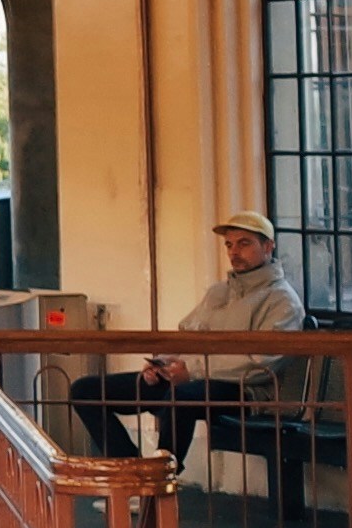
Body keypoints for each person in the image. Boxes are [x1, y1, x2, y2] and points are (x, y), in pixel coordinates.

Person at [68, 212, 308, 505]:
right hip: (192, 379)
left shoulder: (282, 300)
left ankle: (158, 487)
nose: (234, 251)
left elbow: (261, 361)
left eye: (244, 243)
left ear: (268, 246)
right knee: (86, 391)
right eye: (229, 244)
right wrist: (161, 363)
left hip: (246, 389)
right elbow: (187, 336)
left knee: (179, 398)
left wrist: (191, 371)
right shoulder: (218, 292)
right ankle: (134, 476)